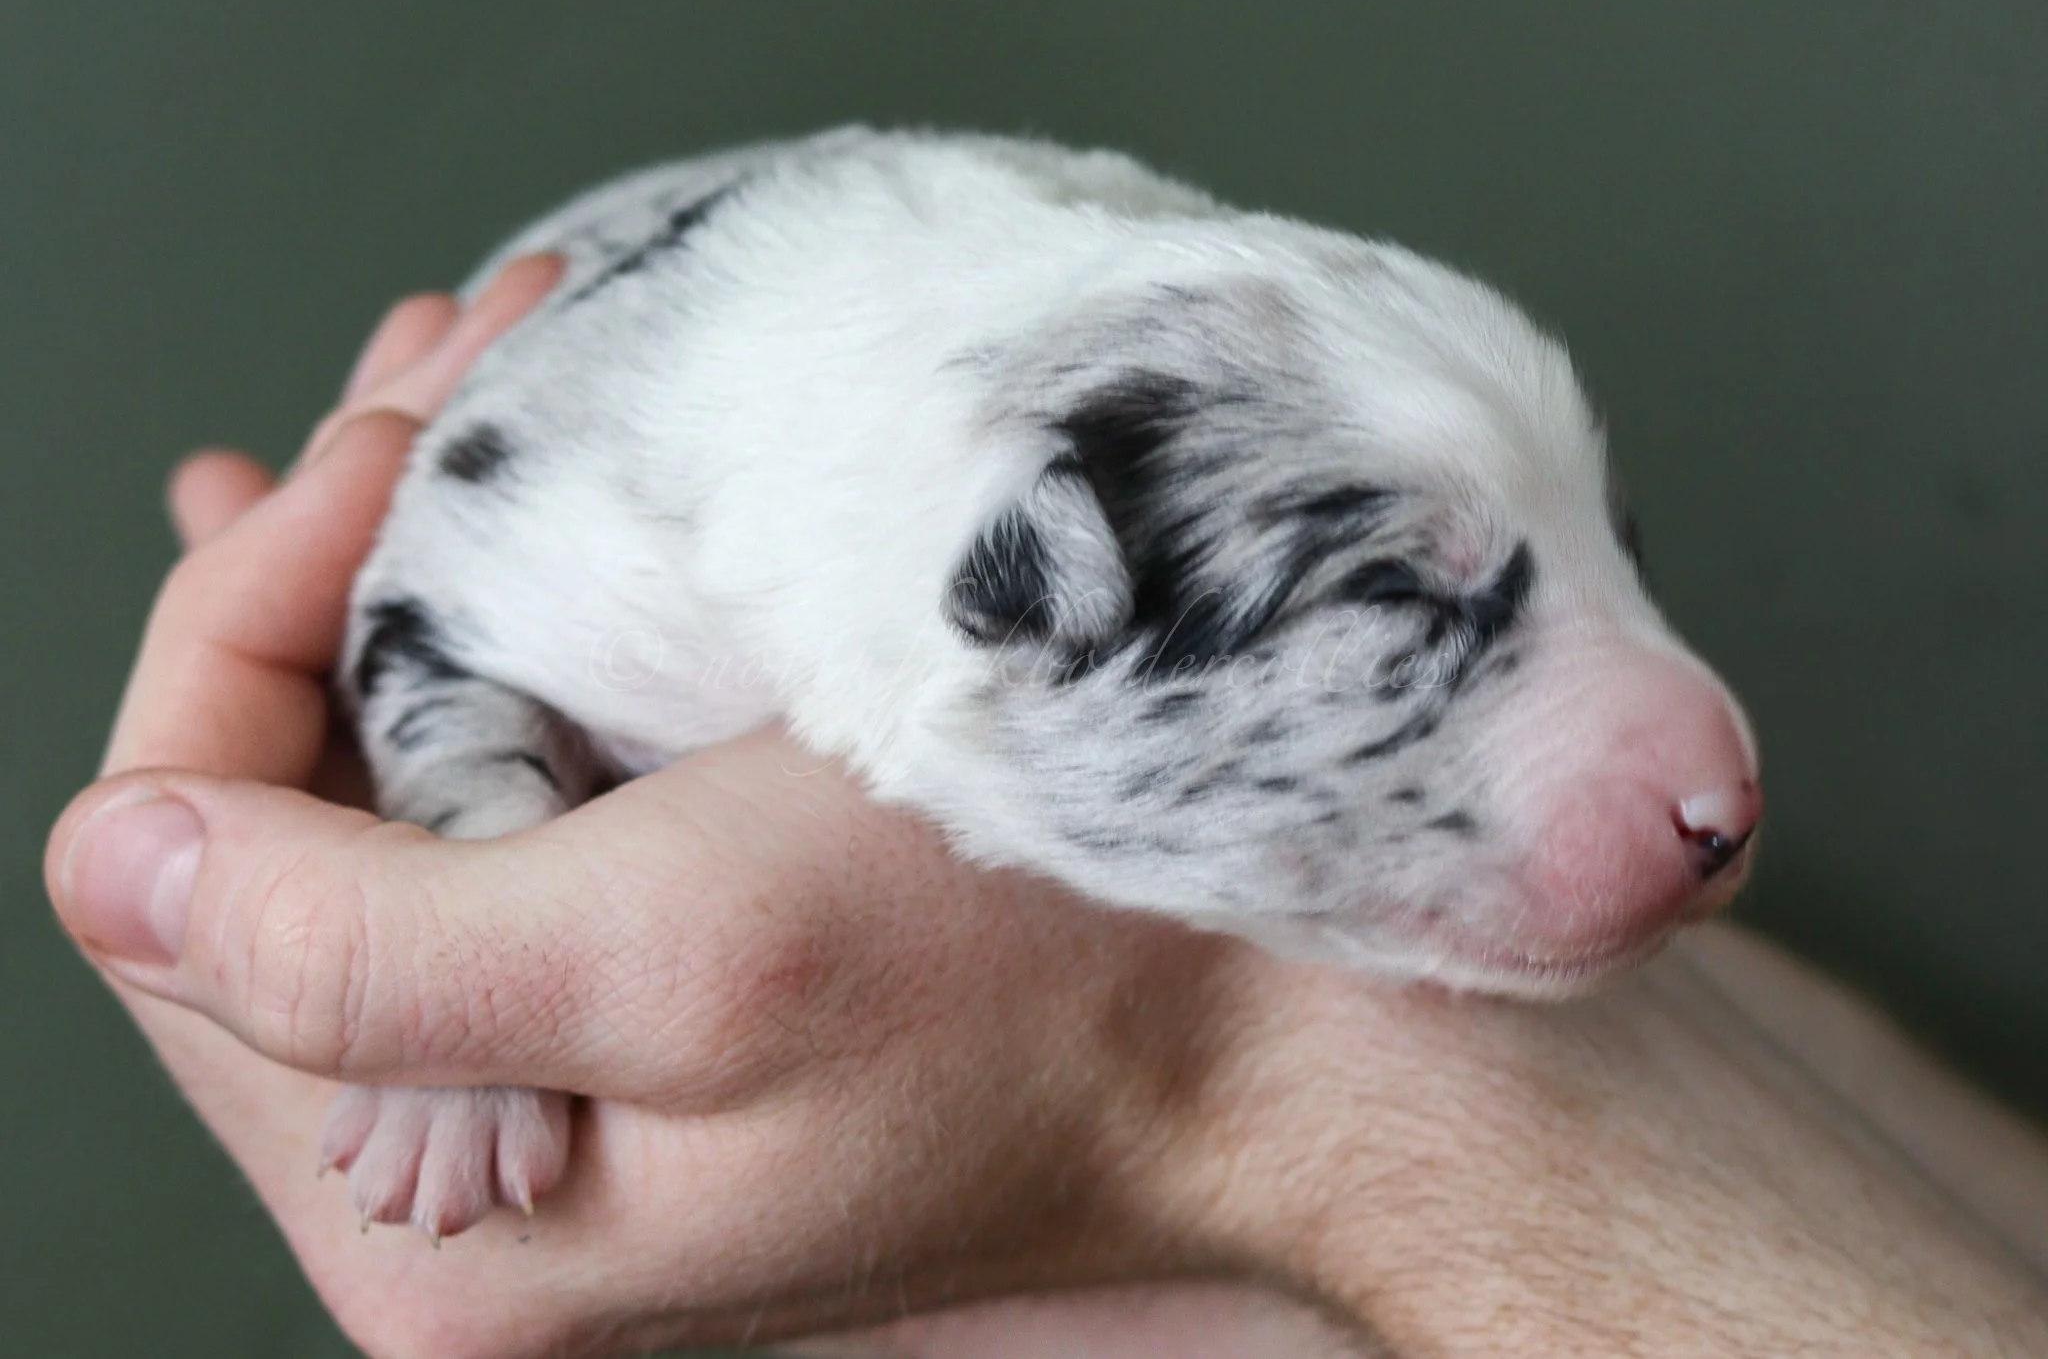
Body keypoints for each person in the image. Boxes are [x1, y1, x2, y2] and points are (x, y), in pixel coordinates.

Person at [45, 256, 2048, 1359]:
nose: (1719, 760)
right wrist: (463, 875)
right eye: (1411, 596)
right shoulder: (640, 512)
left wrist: (1209, 1069)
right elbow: (436, 622)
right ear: (1032, 594)